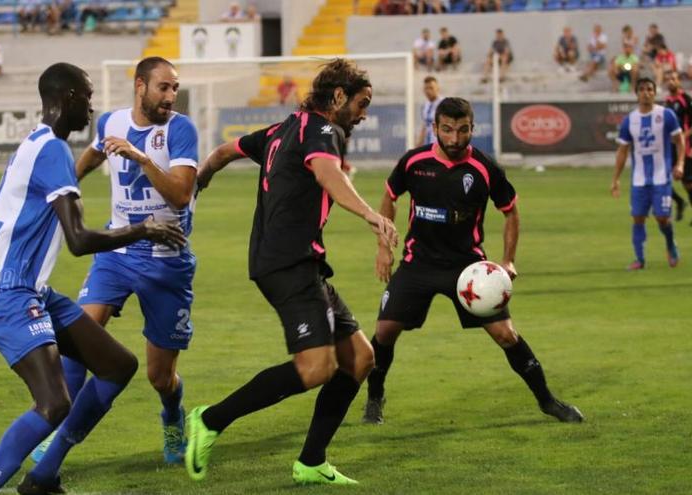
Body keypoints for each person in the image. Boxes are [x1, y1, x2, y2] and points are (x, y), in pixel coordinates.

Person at [0, 62, 186, 495]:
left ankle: (43, 477)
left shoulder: (42, 145)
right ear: (67, 99)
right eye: (86, 96)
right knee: (53, 403)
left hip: (32, 289)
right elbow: (80, 240)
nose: (92, 106)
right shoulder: (51, 151)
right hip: (2, 289)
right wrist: (143, 229)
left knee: (118, 366)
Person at [186, 58, 398, 485]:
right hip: (288, 262)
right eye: (361, 103)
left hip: (301, 263)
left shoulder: (282, 129)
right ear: (337, 96)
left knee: (360, 358)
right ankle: (210, 419)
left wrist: (201, 178)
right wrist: (370, 214)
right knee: (317, 367)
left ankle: (312, 460)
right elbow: (327, 173)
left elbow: (224, 152)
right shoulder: (323, 131)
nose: (363, 113)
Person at [361, 97, 585, 427]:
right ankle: (374, 398)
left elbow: (511, 213)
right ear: (434, 128)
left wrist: (508, 261)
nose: (454, 139)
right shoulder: (413, 162)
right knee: (384, 331)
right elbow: (389, 198)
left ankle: (547, 400)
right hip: (418, 263)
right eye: (447, 130)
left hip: (467, 268)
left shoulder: (485, 168)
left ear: (472, 128)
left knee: (506, 335)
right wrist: (384, 246)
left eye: (463, 130)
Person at [35, 57, 199, 467]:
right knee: (78, 341)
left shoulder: (180, 130)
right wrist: (61, 189)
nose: (170, 96)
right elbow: (89, 159)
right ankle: (54, 431)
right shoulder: (110, 122)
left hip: (167, 260)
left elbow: (180, 195)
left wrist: (140, 156)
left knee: (159, 376)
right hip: (117, 252)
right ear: (140, 85)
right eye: (163, 87)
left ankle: (173, 415)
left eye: (174, 88)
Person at [611, 77, 685, 270]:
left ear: (655, 92)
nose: (646, 92)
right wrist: (616, 179)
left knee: (662, 218)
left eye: (650, 89)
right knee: (637, 217)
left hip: (662, 177)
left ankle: (671, 245)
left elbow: (679, 140)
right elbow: (622, 151)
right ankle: (639, 259)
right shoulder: (630, 120)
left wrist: (680, 164)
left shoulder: (666, 115)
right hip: (639, 179)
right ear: (636, 94)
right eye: (642, 89)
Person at [665, 71, 692, 222]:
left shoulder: (686, 99)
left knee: (687, 183)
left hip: (685, 147)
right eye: (668, 79)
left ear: (679, 82)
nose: (670, 81)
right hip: (670, 147)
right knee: (661, 179)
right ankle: (679, 202)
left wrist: (683, 137)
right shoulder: (667, 101)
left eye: (673, 79)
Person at [417, 76, 444, 147]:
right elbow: (425, 125)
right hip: (428, 143)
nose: (428, 91)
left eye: (431, 88)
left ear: (438, 88)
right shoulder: (425, 105)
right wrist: (419, 143)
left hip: (440, 145)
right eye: (426, 88)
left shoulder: (444, 103)